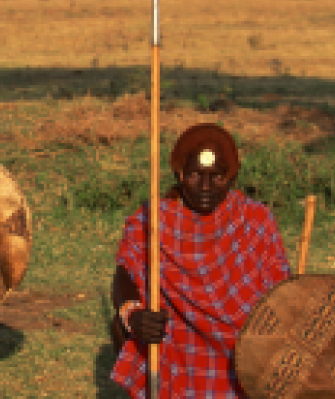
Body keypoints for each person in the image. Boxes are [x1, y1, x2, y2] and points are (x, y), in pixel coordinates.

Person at [110, 123, 291, 397]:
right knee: (121, 324)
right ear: (180, 174)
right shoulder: (154, 219)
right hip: (176, 345)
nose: (206, 186)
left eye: (216, 176)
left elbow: (283, 290)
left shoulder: (255, 219)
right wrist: (133, 315)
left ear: (230, 177)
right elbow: (125, 273)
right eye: (195, 175)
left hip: (242, 349)